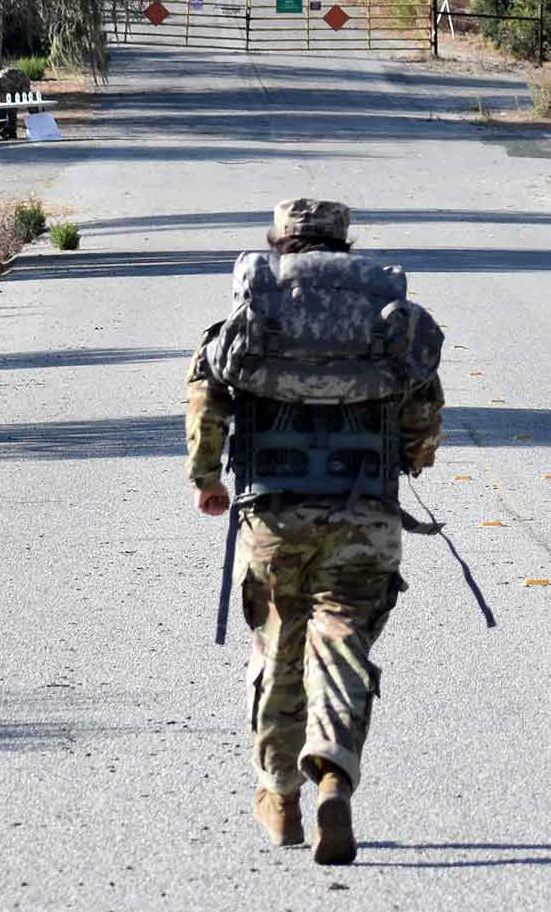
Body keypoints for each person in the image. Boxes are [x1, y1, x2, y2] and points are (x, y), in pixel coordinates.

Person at [185, 199, 444, 865]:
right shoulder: (386, 318)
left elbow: (207, 389)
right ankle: (332, 769)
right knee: (342, 646)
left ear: (280, 243)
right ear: (344, 244)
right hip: (366, 515)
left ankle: (280, 796)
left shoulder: (257, 311)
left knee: (278, 651)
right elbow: (422, 410)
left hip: (274, 515)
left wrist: (206, 477)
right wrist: (411, 458)